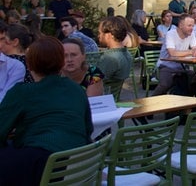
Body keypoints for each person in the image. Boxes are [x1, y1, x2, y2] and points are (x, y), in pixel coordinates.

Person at [0, 37, 93, 186]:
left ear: (29, 65)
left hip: (43, 162)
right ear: (61, 62)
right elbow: (88, 128)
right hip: (78, 161)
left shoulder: (23, 92)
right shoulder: (75, 89)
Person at [153, 14, 196, 96]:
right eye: (189, 25)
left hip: (182, 67)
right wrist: (191, 51)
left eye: (193, 26)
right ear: (180, 25)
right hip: (166, 65)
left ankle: (188, 104)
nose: (192, 28)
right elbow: (173, 53)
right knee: (165, 84)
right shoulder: (170, 34)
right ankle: (152, 102)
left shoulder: (191, 34)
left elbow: (195, 49)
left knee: (195, 80)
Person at [97, 16, 133, 100]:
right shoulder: (126, 54)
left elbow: (93, 82)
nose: (99, 36)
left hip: (102, 102)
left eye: (100, 33)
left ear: (109, 35)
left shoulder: (110, 58)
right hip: (114, 98)